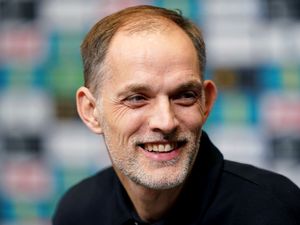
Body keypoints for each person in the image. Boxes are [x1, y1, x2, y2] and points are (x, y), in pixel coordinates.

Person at [53, 5, 300, 225]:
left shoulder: (271, 210)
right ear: (90, 111)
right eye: (137, 98)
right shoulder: (78, 211)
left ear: (206, 102)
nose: (166, 121)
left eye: (184, 95)